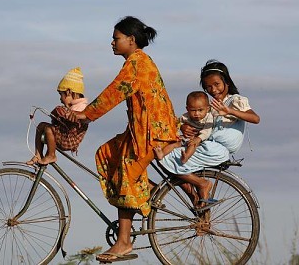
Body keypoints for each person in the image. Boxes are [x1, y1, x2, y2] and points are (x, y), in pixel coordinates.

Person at [67, 16, 179, 263]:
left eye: (116, 38)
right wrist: (88, 115)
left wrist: (87, 114)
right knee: (108, 152)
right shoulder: (136, 62)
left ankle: (124, 242)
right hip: (141, 131)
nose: (112, 42)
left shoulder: (137, 63)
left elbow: (114, 92)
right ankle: (146, 192)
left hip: (153, 133)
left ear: (131, 40)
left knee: (124, 172)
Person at [158, 59, 260, 209]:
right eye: (208, 87)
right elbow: (201, 125)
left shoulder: (235, 101)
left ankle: (201, 185)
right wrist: (185, 127)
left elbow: (255, 118)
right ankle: (200, 203)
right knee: (170, 156)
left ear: (227, 82)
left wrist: (229, 111)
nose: (213, 90)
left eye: (217, 84)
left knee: (165, 157)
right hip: (208, 146)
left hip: (218, 149)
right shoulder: (210, 106)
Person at [27, 67, 89, 165]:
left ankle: (51, 155)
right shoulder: (72, 106)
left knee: (48, 129)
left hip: (69, 139)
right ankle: (38, 154)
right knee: (41, 126)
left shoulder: (81, 107)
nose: (60, 99)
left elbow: (77, 120)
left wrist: (62, 114)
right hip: (64, 134)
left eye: (61, 95)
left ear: (69, 92)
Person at [154, 91, 214, 164]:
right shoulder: (186, 116)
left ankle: (186, 157)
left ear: (207, 109)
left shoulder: (208, 117)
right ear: (187, 109)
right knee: (174, 144)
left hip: (198, 139)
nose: (197, 114)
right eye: (193, 110)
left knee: (192, 145)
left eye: (200, 110)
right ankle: (162, 154)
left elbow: (207, 131)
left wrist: (198, 139)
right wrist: (181, 126)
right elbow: (177, 123)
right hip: (186, 138)